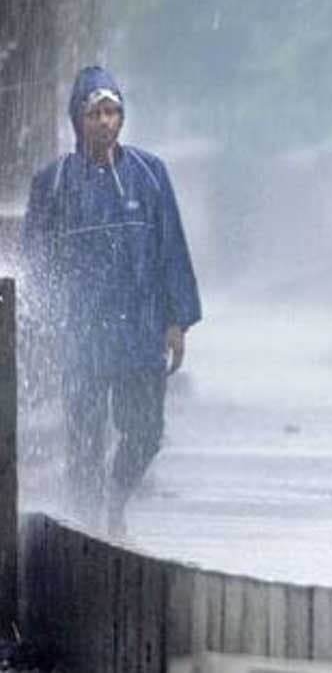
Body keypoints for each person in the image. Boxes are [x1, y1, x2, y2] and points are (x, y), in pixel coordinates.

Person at [21, 65, 202, 536]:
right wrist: (42, 330)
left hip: (139, 333)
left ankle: (116, 502)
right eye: (95, 114)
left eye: (112, 112)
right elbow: (37, 264)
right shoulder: (54, 183)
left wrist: (177, 321)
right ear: (77, 120)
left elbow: (171, 247)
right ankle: (88, 529)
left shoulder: (149, 174)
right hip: (80, 336)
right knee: (84, 442)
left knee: (145, 433)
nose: (105, 123)